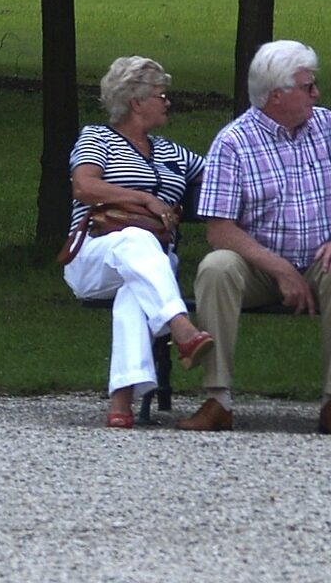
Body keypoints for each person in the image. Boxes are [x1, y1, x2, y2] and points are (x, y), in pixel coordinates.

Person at [178, 39, 331, 434]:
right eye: (308, 86)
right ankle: (217, 398)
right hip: (258, 267)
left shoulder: (328, 125)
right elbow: (219, 230)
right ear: (277, 95)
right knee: (216, 268)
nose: (317, 94)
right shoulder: (233, 142)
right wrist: (280, 270)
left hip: (320, 261)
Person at [61, 56, 215, 428]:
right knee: (135, 239)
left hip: (154, 265)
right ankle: (181, 328)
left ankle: (121, 403)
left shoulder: (171, 152)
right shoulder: (97, 138)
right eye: (161, 95)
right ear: (136, 102)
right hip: (94, 256)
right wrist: (143, 199)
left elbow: (219, 173)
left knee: (137, 288)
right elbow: (84, 185)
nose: (167, 102)